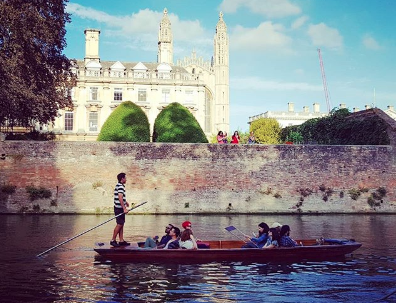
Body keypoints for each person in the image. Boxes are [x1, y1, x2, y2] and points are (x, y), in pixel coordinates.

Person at [110, 172, 130, 247]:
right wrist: (124, 208)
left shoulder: (119, 185)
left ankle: (121, 241)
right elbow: (120, 197)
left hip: (119, 207)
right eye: (125, 178)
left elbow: (120, 197)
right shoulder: (121, 186)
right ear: (122, 179)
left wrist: (126, 202)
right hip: (119, 208)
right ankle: (113, 240)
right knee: (119, 224)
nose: (126, 179)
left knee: (121, 224)